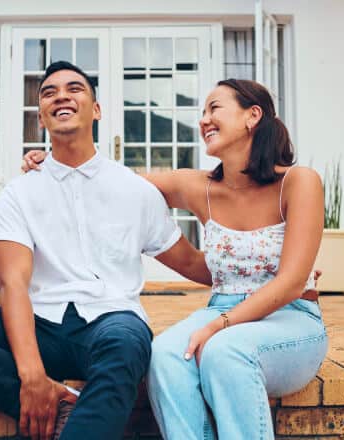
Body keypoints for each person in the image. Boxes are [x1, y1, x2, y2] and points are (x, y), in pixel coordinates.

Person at [0, 61, 211, 440]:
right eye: (49, 92)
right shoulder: (22, 191)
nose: (61, 95)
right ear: (42, 117)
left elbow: (195, 265)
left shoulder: (134, 190)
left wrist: (266, 265)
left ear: (96, 110)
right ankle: (57, 400)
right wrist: (31, 377)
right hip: (41, 325)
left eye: (75, 88)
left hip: (111, 322)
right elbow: (11, 283)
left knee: (129, 343)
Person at [22, 78, 328, 439]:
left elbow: (291, 282)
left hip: (290, 319)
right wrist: (54, 162)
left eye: (214, 108)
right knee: (165, 353)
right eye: (202, 113)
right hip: (222, 309)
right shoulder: (197, 186)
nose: (203, 120)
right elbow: (111, 183)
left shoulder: (299, 181)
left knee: (224, 351)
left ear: (252, 116)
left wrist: (217, 327)